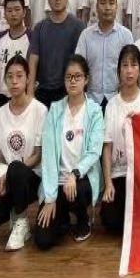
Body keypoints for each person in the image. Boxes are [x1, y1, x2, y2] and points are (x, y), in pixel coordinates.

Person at [35, 55, 104, 248]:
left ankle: (83, 220)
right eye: (68, 77)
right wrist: (50, 198)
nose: (73, 81)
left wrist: (74, 174)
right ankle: (62, 215)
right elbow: (48, 155)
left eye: (78, 76)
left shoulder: (94, 111)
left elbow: (94, 152)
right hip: (57, 183)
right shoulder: (55, 110)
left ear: (86, 79)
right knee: (43, 240)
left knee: (77, 190)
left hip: (81, 179)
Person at [0, 54, 47, 250]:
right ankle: (14, 208)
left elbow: (38, 156)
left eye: (19, 76)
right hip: (7, 178)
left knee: (17, 169)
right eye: (9, 76)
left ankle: (22, 221)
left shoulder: (40, 110)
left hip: (32, 176)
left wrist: (11, 173)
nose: (14, 81)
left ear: (28, 79)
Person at [100, 45, 140, 235]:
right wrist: (108, 183)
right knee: (110, 220)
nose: (129, 70)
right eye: (125, 65)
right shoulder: (111, 105)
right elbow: (107, 147)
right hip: (118, 173)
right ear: (118, 71)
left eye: (134, 65)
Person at [28, 0, 86, 108]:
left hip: (68, 90)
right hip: (42, 91)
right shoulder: (39, 27)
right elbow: (33, 60)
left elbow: (81, 63)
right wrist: (30, 94)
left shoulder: (78, 26)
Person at [75, 0, 134, 109]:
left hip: (118, 99)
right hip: (91, 100)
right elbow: (78, 68)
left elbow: (131, 69)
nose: (107, 7)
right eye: (103, 3)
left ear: (117, 7)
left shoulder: (126, 36)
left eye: (111, 3)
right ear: (96, 7)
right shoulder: (86, 36)